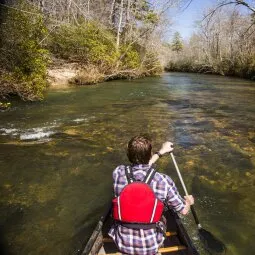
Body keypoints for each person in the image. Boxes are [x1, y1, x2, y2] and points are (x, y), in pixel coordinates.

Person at [108, 135, 194, 255]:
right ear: (149, 155)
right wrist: (189, 202)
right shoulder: (163, 180)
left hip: (121, 242)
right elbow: (183, 211)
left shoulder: (118, 173)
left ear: (128, 155)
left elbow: (141, 168)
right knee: (163, 215)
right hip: (151, 246)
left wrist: (160, 152)